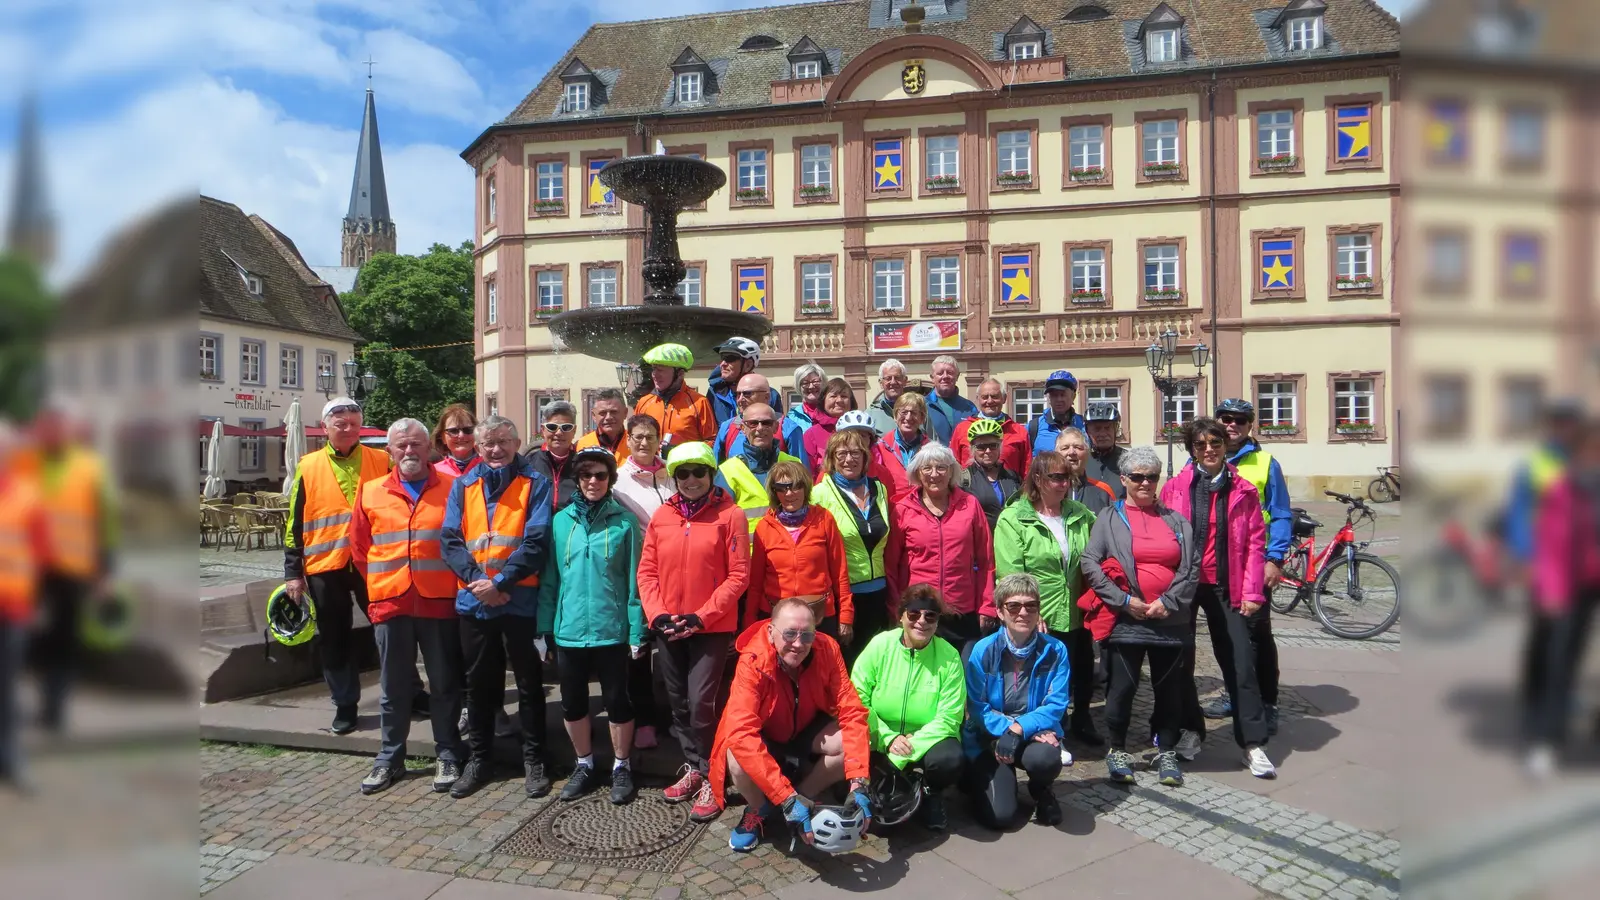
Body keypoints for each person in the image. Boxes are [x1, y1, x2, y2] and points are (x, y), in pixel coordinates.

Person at [285, 397, 417, 735]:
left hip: (373, 562)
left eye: (353, 424)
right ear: (325, 426)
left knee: (391, 629)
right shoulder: (308, 464)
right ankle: (345, 705)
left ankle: (411, 693)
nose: (347, 429)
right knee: (334, 637)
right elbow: (295, 519)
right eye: (340, 424)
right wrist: (292, 572)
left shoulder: (381, 459)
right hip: (324, 564)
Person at [440, 415, 554, 799]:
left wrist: (501, 582)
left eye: (504, 441)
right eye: (488, 442)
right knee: (479, 686)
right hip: (476, 602)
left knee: (529, 684)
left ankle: (535, 760)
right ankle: (479, 758)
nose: (495, 449)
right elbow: (450, 541)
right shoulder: (463, 485)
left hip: (519, 600)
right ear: (477, 445)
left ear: (517, 442)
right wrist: (480, 584)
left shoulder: (535, 483)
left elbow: (536, 541)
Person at [350, 419, 466, 796]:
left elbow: (464, 542)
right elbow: (360, 550)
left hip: (439, 601)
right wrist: (382, 585)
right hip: (391, 602)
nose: (409, 451)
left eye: (416, 444)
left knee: (446, 684)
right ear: (390, 451)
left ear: (428, 447)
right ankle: (389, 757)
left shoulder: (453, 488)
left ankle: (448, 751)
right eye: (401, 446)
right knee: (394, 687)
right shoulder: (370, 491)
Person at [638, 442, 750, 821]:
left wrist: (703, 616)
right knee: (678, 703)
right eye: (681, 473)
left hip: (710, 627)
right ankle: (695, 767)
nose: (690, 480)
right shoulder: (662, 515)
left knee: (703, 703)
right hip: (669, 625)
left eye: (697, 472)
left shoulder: (730, 515)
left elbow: (739, 575)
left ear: (710, 473)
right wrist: (657, 614)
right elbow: (647, 570)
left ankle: (714, 776)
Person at [709, 597, 872, 853]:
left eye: (807, 636)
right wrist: (783, 796)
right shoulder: (752, 661)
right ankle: (758, 807)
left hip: (806, 726)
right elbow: (742, 734)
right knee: (735, 755)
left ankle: (802, 798)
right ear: (771, 632)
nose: (798, 644)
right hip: (766, 733)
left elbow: (852, 710)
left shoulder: (827, 648)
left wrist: (859, 780)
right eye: (790, 634)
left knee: (852, 741)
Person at [1161, 418, 1275, 778]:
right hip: (1186, 586)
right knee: (1180, 663)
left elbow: (1257, 541)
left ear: (1226, 445)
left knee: (1240, 662)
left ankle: (1252, 743)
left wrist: (1254, 591)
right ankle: (1191, 731)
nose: (1208, 449)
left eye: (1215, 443)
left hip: (1228, 585)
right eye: (1200, 445)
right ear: (1191, 449)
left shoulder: (1242, 489)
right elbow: (1165, 539)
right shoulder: (1175, 488)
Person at [1081, 446, 1197, 787]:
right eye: (1138, 477)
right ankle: (1118, 749)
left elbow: (1190, 568)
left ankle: (1166, 750)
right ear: (1124, 480)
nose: (1145, 483)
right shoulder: (1109, 518)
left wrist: (1169, 601)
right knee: (1122, 688)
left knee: (1169, 690)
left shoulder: (1176, 521)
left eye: (1152, 477)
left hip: (1170, 620)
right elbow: (1090, 561)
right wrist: (1122, 600)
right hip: (1126, 618)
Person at [538, 447, 645, 805]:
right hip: (569, 629)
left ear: (611, 479)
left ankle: (621, 765)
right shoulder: (561, 521)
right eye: (586, 475)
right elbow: (551, 579)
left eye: (601, 475)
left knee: (617, 700)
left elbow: (635, 583)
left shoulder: (624, 522)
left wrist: (635, 631)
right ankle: (583, 763)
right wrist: (543, 628)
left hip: (610, 629)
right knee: (572, 702)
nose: (593, 482)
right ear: (577, 480)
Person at [994, 451, 1099, 749]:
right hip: (1040, 612)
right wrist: (1029, 608)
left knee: (1078, 669)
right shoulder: (1014, 518)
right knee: (1043, 676)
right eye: (1057, 477)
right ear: (1038, 480)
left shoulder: (1079, 514)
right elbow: (1011, 572)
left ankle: (1080, 720)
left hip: (1078, 610)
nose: (1065, 483)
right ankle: (1048, 732)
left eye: (1068, 477)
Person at [850, 584, 966, 832]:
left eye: (930, 616)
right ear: (901, 616)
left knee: (949, 759)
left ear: (937, 622)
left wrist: (910, 746)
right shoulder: (879, 645)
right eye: (913, 615)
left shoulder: (949, 656)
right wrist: (887, 738)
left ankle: (933, 794)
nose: (921, 622)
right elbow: (857, 698)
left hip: (923, 737)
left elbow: (950, 716)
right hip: (880, 734)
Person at [961, 574, 1069, 828]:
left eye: (1031, 606)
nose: (1023, 613)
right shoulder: (983, 650)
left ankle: (1041, 790)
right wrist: (1005, 730)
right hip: (988, 738)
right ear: (1000, 611)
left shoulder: (1056, 650)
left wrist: (1019, 729)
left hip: (1028, 734)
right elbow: (977, 706)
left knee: (1046, 758)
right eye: (1014, 606)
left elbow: (1056, 704)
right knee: (1000, 817)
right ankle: (977, 780)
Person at [1206, 399, 1290, 728]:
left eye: (1240, 420)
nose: (1232, 425)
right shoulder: (1204, 456)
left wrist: (1275, 558)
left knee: (1258, 634)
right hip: (1217, 565)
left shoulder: (1266, 463)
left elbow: (1281, 514)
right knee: (1226, 636)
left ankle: (1267, 701)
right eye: (1226, 418)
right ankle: (1234, 693)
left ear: (1250, 425)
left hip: (1255, 563)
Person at [1524, 417, 1600, 778]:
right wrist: (1553, 591)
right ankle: (1546, 740)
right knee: (1561, 661)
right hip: (1572, 586)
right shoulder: (1566, 488)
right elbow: (1553, 543)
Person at [890, 442, 995, 651]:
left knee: (963, 677)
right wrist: (896, 608)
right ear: (917, 473)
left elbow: (986, 561)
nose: (934, 474)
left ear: (951, 472)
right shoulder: (902, 509)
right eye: (927, 468)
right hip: (920, 612)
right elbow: (892, 565)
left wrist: (987, 606)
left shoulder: (970, 505)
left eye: (941, 467)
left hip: (962, 610)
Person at [609, 413, 673, 750]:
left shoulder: (672, 475)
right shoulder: (618, 481)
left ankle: (675, 717)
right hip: (637, 574)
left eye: (650, 436)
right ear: (628, 440)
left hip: (675, 575)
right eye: (637, 437)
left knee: (673, 649)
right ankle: (645, 719)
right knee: (638, 649)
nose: (644, 442)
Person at [812, 429, 902, 663]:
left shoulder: (879, 489)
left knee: (877, 661)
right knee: (848, 662)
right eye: (841, 454)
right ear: (831, 458)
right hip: (845, 593)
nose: (849, 459)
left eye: (855, 453)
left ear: (865, 458)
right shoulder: (819, 494)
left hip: (879, 593)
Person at [748, 460, 854, 641]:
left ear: (805, 487)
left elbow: (840, 572)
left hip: (820, 615)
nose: (789, 493)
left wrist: (846, 615)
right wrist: (749, 623)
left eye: (796, 486)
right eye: (782, 488)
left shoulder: (824, 519)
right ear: (775, 492)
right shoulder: (764, 527)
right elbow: (756, 583)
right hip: (776, 616)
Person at [0, 422, 44, 786]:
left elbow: (41, 554)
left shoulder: (28, 497)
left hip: (14, 608)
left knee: (8, 686)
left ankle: (9, 758)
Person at [717, 403, 803, 532]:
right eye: (753, 423)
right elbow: (720, 523)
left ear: (775, 427)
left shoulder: (795, 464)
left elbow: (808, 509)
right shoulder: (727, 471)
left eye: (766, 423)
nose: (760, 428)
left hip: (788, 548)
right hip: (748, 551)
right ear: (743, 428)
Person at [633, 343, 717, 452]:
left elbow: (712, 442)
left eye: (661, 370)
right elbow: (633, 438)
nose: (654, 374)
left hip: (684, 467)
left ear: (680, 374)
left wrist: (681, 451)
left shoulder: (699, 402)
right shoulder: (644, 402)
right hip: (651, 468)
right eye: (654, 369)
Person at [715, 373, 805, 463]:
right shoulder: (727, 427)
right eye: (738, 394)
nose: (740, 399)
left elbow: (801, 472)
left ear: (767, 397)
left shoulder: (788, 428)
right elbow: (714, 470)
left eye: (747, 394)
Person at [951, 378, 1031, 477]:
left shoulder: (1019, 431)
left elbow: (1027, 471)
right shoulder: (962, 429)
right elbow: (953, 465)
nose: (989, 401)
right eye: (984, 397)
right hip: (970, 490)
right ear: (978, 399)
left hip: (1008, 489)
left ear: (1004, 398)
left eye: (995, 396)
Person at [960, 418, 1023, 531]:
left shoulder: (1012, 476)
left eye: (993, 445)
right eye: (981, 447)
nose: (988, 451)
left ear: (1000, 447)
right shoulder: (964, 479)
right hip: (981, 543)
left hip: (1011, 542)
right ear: (972, 449)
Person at [707, 337, 781, 428]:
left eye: (730, 358)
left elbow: (778, 430)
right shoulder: (714, 392)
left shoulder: (771, 395)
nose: (723, 364)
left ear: (748, 365)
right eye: (722, 358)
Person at [874, 391, 930, 504]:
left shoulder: (930, 449)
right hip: (892, 509)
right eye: (903, 412)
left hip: (922, 509)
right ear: (895, 416)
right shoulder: (881, 447)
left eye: (914, 413)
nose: (908, 417)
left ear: (922, 418)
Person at [529, 400, 580, 512]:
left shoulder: (583, 465)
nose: (558, 433)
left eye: (566, 427)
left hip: (571, 527)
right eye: (552, 427)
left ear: (574, 431)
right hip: (538, 528)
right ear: (543, 430)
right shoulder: (528, 463)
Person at [1055, 426, 1116, 516]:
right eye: (1065, 448)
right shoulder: (1046, 491)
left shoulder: (1104, 492)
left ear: (1087, 453)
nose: (1071, 452)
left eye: (1078, 447)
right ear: (1056, 454)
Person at [800, 378, 854, 474]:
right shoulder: (811, 434)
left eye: (844, 396)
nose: (839, 400)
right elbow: (807, 473)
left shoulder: (859, 431)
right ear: (823, 400)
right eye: (833, 396)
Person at [1027, 371, 1087, 458]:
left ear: (1073, 396)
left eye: (1063, 394)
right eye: (1054, 395)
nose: (1059, 399)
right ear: (1049, 398)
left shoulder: (1085, 425)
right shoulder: (1033, 427)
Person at [867, 358, 929, 439]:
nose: (893, 382)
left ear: (905, 381)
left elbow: (932, 442)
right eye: (888, 378)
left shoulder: (920, 409)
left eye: (897, 378)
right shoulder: (870, 414)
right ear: (881, 383)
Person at [925, 355, 978, 444]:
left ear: (957, 376)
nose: (945, 376)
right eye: (940, 373)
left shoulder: (969, 407)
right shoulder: (922, 405)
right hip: (934, 457)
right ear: (932, 378)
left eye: (950, 372)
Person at [575, 388, 630, 464]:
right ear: (594, 416)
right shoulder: (582, 445)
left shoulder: (636, 442)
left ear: (625, 413)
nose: (608, 417)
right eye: (603, 413)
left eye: (614, 412)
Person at [1082, 403, 1126, 497]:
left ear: (1116, 429)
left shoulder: (1129, 460)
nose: (1102, 433)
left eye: (1107, 428)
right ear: (1087, 431)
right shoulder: (1081, 460)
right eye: (1097, 429)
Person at [432, 404, 482, 478]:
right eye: (453, 431)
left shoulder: (489, 467)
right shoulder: (434, 473)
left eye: (467, 430)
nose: (461, 435)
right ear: (442, 437)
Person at [784, 363, 829, 437]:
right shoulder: (792, 417)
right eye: (805, 383)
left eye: (815, 381)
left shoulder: (831, 412)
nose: (811, 386)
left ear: (823, 383)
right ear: (799, 387)